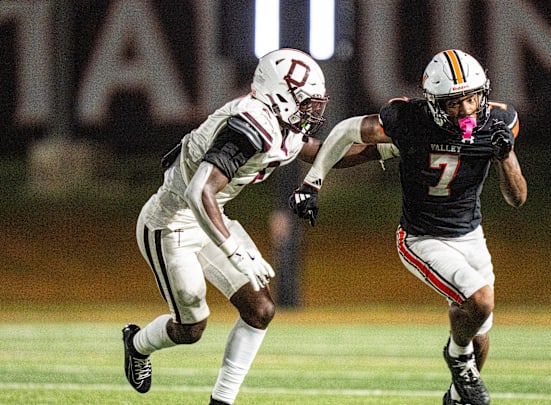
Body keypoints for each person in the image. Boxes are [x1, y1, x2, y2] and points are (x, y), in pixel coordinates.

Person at [122, 48, 379, 405]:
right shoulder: (249, 125)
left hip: (209, 220)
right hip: (170, 226)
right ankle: (136, 344)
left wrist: (381, 151)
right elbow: (199, 192)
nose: (314, 112)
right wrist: (236, 251)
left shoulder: (281, 126)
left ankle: (222, 401)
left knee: (261, 310)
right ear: (280, 95)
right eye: (307, 102)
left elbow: (322, 152)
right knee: (191, 328)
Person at [289, 49, 527, 405]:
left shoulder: (497, 123)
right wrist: (311, 179)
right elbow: (346, 134)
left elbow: (517, 198)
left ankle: (455, 394)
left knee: (480, 330)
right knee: (480, 300)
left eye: (471, 98)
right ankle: (456, 355)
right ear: (432, 103)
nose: (465, 110)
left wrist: (505, 155)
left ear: (484, 92)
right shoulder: (410, 121)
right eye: (453, 103)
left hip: (471, 235)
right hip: (422, 237)